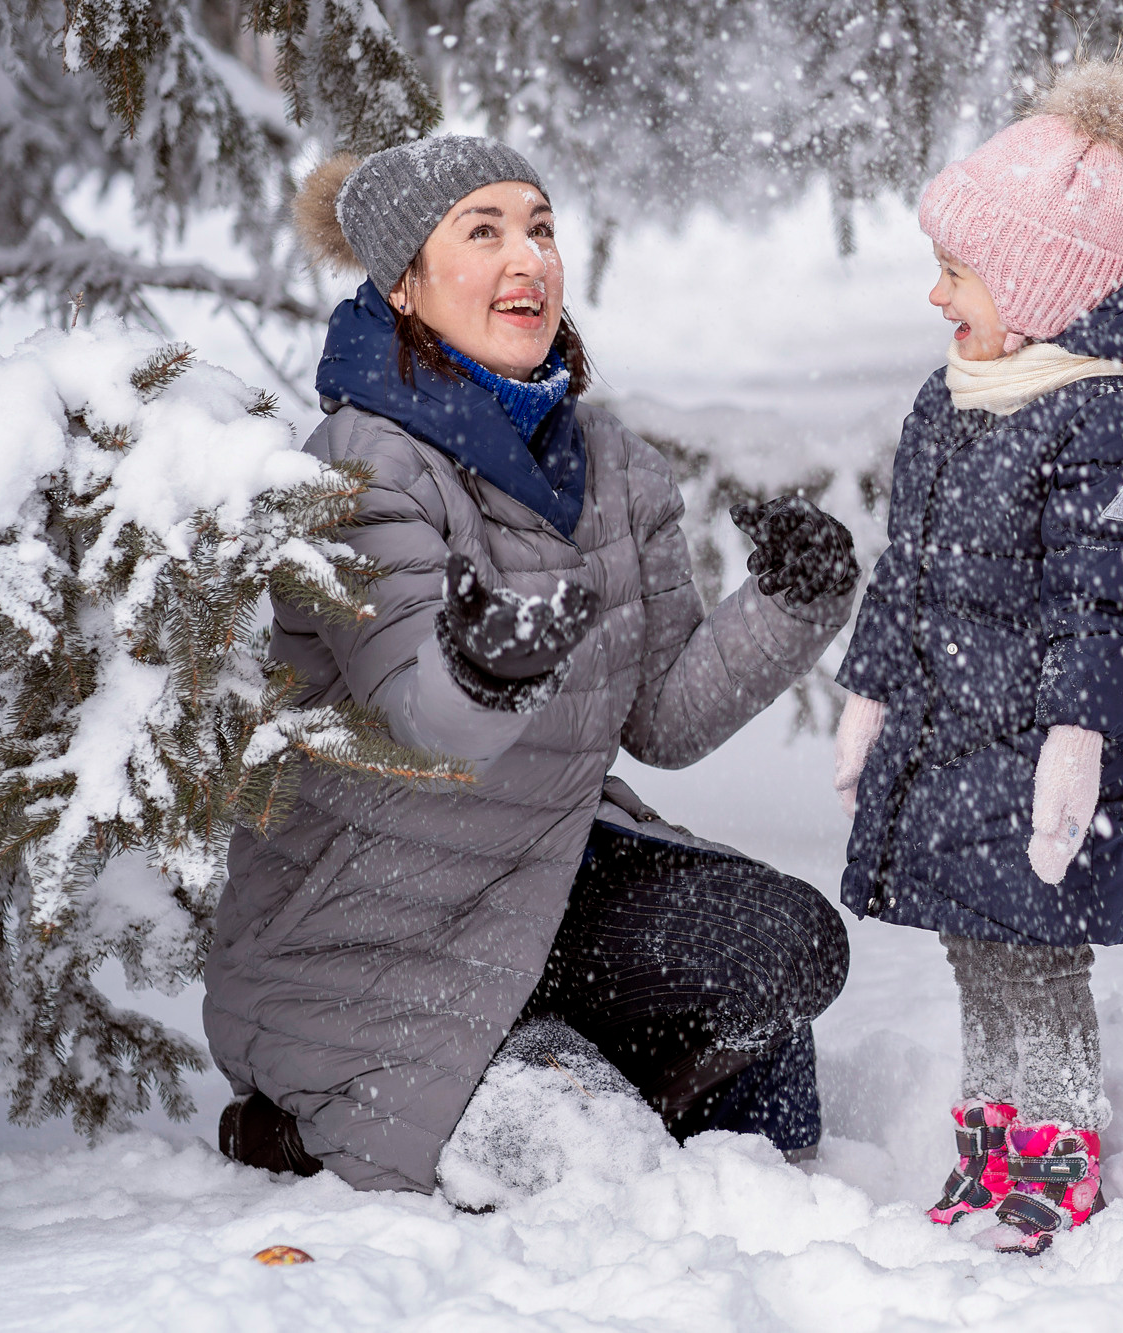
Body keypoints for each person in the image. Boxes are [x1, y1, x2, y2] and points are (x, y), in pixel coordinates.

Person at [203, 136, 861, 1199]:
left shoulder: (610, 462)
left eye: (541, 227)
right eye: (485, 230)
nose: (530, 257)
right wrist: (483, 666)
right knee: (579, 1173)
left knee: (788, 947)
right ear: (405, 284)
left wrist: (790, 603)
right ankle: (306, 1120)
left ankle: (559, 1054)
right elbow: (425, 715)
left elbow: (663, 721)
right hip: (374, 925)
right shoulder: (360, 463)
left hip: (548, 879)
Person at [830, 57, 1123, 1255]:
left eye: (957, 270)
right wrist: (869, 689)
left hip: (1043, 751)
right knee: (978, 948)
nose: (935, 296)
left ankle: (1056, 1151)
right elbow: (903, 564)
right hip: (956, 735)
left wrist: (1076, 744)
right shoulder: (958, 392)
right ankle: (990, 1142)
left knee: (1041, 961)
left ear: (1034, 286)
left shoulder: (1111, 419)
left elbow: (1102, 609)